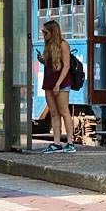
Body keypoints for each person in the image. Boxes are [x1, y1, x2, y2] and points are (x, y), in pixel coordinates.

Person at [40, 20, 75, 153]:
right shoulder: (48, 45)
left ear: (52, 32)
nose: (43, 34)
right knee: (54, 112)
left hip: (61, 82)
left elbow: (66, 66)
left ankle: (70, 142)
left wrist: (58, 83)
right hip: (49, 81)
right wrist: (43, 60)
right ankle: (56, 142)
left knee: (64, 111)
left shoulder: (63, 44)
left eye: (45, 32)